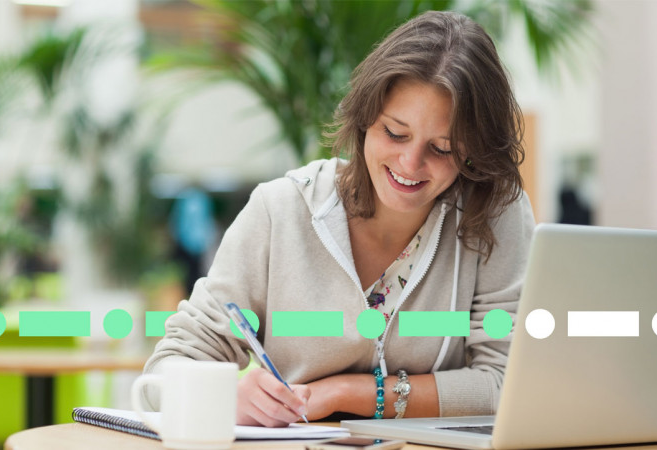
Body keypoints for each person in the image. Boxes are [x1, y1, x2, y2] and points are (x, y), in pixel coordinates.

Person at [143, 10, 535, 427]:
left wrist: (348, 393)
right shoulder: (281, 212)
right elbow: (162, 376)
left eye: (441, 148)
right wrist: (227, 397)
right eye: (395, 133)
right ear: (366, 119)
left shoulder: (493, 214)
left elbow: (505, 382)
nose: (410, 162)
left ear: (474, 151)